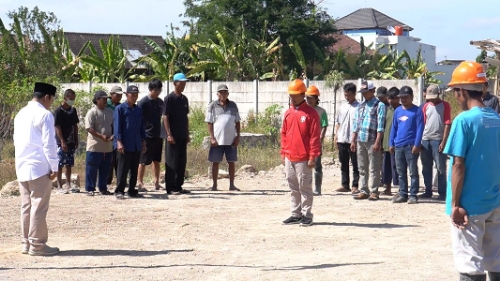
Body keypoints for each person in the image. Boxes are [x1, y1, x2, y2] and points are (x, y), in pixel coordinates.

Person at [444, 61, 500, 281]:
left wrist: (456, 205)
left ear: (461, 91)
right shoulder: (497, 120)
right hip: (495, 202)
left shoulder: (463, 121)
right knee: (495, 259)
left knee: (469, 262)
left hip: (469, 206)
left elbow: (459, 164)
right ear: (483, 88)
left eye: (456, 92)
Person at [14, 82, 60, 256]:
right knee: (39, 207)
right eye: (51, 100)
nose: (51, 104)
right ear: (47, 97)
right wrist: (54, 166)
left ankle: (26, 243)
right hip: (39, 167)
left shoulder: (20, 114)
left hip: (22, 165)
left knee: (26, 206)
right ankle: (38, 245)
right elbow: (49, 144)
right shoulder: (45, 114)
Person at [281, 79, 321, 227]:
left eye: (295, 94)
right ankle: (295, 214)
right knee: (293, 187)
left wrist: (312, 157)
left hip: (304, 158)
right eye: (290, 94)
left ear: (303, 94)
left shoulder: (311, 114)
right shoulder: (288, 113)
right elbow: (284, 134)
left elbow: (315, 137)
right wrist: (283, 153)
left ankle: (307, 215)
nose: (292, 97)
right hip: (289, 157)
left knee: (304, 187)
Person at [351, 81, 386, 201]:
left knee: (374, 167)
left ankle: (374, 191)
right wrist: (353, 140)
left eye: (366, 92)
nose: (364, 94)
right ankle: (364, 190)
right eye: (363, 92)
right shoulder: (361, 105)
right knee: (362, 167)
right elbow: (356, 124)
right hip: (361, 139)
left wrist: (377, 142)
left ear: (372, 91)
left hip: (372, 140)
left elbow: (381, 126)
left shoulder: (379, 105)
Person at [390, 86, 424, 204]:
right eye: (401, 97)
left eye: (406, 97)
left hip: (411, 146)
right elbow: (393, 128)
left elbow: (420, 128)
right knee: (401, 172)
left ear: (411, 97)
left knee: (413, 172)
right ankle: (403, 194)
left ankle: (413, 195)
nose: (404, 99)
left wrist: (417, 144)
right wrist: (391, 143)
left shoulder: (417, 111)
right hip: (398, 146)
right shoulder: (397, 111)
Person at [205, 84, 241, 191]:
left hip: (231, 140)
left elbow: (237, 122)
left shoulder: (233, 105)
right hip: (217, 140)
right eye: (221, 92)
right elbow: (209, 122)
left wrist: (238, 136)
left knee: (231, 162)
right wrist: (212, 137)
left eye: (225, 92)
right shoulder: (212, 106)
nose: (223, 94)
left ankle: (232, 185)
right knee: (215, 162)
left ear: (228, 94)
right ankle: (215, 185)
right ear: (217, 94)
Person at [113, 85, 147, 199]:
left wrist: (143, 141)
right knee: (122, 168)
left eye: (136, 95)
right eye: (132, 95)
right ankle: (119, 190)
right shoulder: (120, 109)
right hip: (125, 144)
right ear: (126, 95)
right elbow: (117, 126)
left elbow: (142, 127)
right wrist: (118, 141)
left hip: (136, 143)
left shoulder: (138, 110)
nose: (134, 97)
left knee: (134, 168)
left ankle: (132, 190)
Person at [420, 85, 451, 200]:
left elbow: (447, 123)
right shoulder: (426, 106)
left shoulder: (445, 105)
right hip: (425, 140)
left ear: (439, 94)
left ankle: (442, 193)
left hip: (438, 140)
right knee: (426, 167)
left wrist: (444, 141)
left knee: (440, 168)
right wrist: (420, 141)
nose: (431, 99)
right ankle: (428, 191)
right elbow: (423, 123)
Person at [163, 73, 192, 195]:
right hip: (173, 136)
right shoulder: (169, 98)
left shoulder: (184, 99)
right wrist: (168, 134)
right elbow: (165, 117)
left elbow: (185, 117)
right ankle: (170, 187)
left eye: (184, 83)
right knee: (171, 161)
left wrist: (187, 133)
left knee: (181, 161)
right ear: (175, 83)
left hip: (182, 135)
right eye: (181, 83)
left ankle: (178, 186)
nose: (183, 85)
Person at [84, 90, 114, 196]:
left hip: (107, 147)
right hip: (94, 146)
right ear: (97, 100)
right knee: (91, 168)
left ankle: (103, 188)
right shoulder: (92, 112)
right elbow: (89, 128)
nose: (106, 100)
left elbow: (114, 126)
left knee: (105, 169)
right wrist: (101, 136)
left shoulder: (110, 112)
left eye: (106, 98)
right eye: (103, 98)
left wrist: (113, 135)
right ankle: (90, 188)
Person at [137, 79, 165, 192]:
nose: (158, 92)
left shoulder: (160, 102)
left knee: (156, 160)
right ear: (150, 89)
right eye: (156, 90)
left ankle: (156, 182)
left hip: (158, 135)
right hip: (146, 136)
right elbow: (138, 120)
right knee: (143, 161)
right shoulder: (143, 103)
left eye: (160, 90)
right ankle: (140, 182)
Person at [335, 83, 360, 194]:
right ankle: (345, 185)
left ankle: (355, 185)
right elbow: (338, 122)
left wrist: (355, 140)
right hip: (342, 138)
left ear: (354, 94)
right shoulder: (343, 107)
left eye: (349, 95)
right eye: (345, 95)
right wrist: (336, 136)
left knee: (356, 163)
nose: (347, 97)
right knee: (343, 163)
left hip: (353, 140)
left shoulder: (359, 107)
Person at [54, 89, 79, 194]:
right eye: (70, 99)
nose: (72, 101)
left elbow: (75, 125)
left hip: (71, 141)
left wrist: (76, 139)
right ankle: (59, 185)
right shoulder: (58, 111)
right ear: (65, 98)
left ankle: (68, 184)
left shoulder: (73, 110)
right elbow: (57, 126)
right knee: (59, 164)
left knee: (69, 163)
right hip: (61, 142)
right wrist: (62, 141)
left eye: (73, 99)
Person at [305, 85, 328, 195]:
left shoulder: (321, 112)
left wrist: (320, 140)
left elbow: (324, 126)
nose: (309, 100)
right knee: (305, 166)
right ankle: (306, 188)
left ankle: (317, 188)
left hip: (315, 143)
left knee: (317, 165)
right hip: (305, 142)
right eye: (307, 98)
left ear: (316, 99)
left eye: (311, 98)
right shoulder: (304, 111)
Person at [380, 87, 400, 196]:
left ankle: (399, 189)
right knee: (386, 167)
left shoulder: (402, 110)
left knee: (397, 167)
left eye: (393, 98)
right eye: (389, 98)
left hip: (397, 145)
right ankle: (387, 188)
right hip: (386, 144)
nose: (391, 101)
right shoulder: (387, 110)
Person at [106, 86, 123, 185]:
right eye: (117, 94)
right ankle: (107, 181)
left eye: (120, 95)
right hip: (107, 135)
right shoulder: (106, 105)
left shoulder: (120, 106)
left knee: (118, 159)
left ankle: (120, 181)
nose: (119, 96)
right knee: (109, 160)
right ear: (111, 94)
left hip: (117, 135)